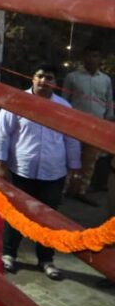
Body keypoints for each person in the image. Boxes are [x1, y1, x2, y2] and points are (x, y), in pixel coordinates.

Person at [0, 64, 81, 279]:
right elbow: (2, 133)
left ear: (56, 83)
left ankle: (46, 260)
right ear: (32, 78)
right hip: (22, 169)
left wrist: (75, 169)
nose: (44, 81)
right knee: (17, 214)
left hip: (53, 173)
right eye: (40, 76)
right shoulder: (16, 101)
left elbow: (72, 140)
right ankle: (8, 254)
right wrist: (1, 165)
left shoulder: (64, 107)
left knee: (49, 219)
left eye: (49, 78)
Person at [63, 45, 113, 206]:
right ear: (84, 58)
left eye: (95, 56)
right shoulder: (72, 77)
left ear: (100, 59)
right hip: (74, 125)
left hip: (96, 126)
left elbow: (109, 101)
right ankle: (63, 190)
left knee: (89, 161)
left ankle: (80, 191)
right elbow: (64, 100)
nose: (92, 59)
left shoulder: (105, 79)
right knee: (71, 157)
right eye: (89, 56)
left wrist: (108, 120)